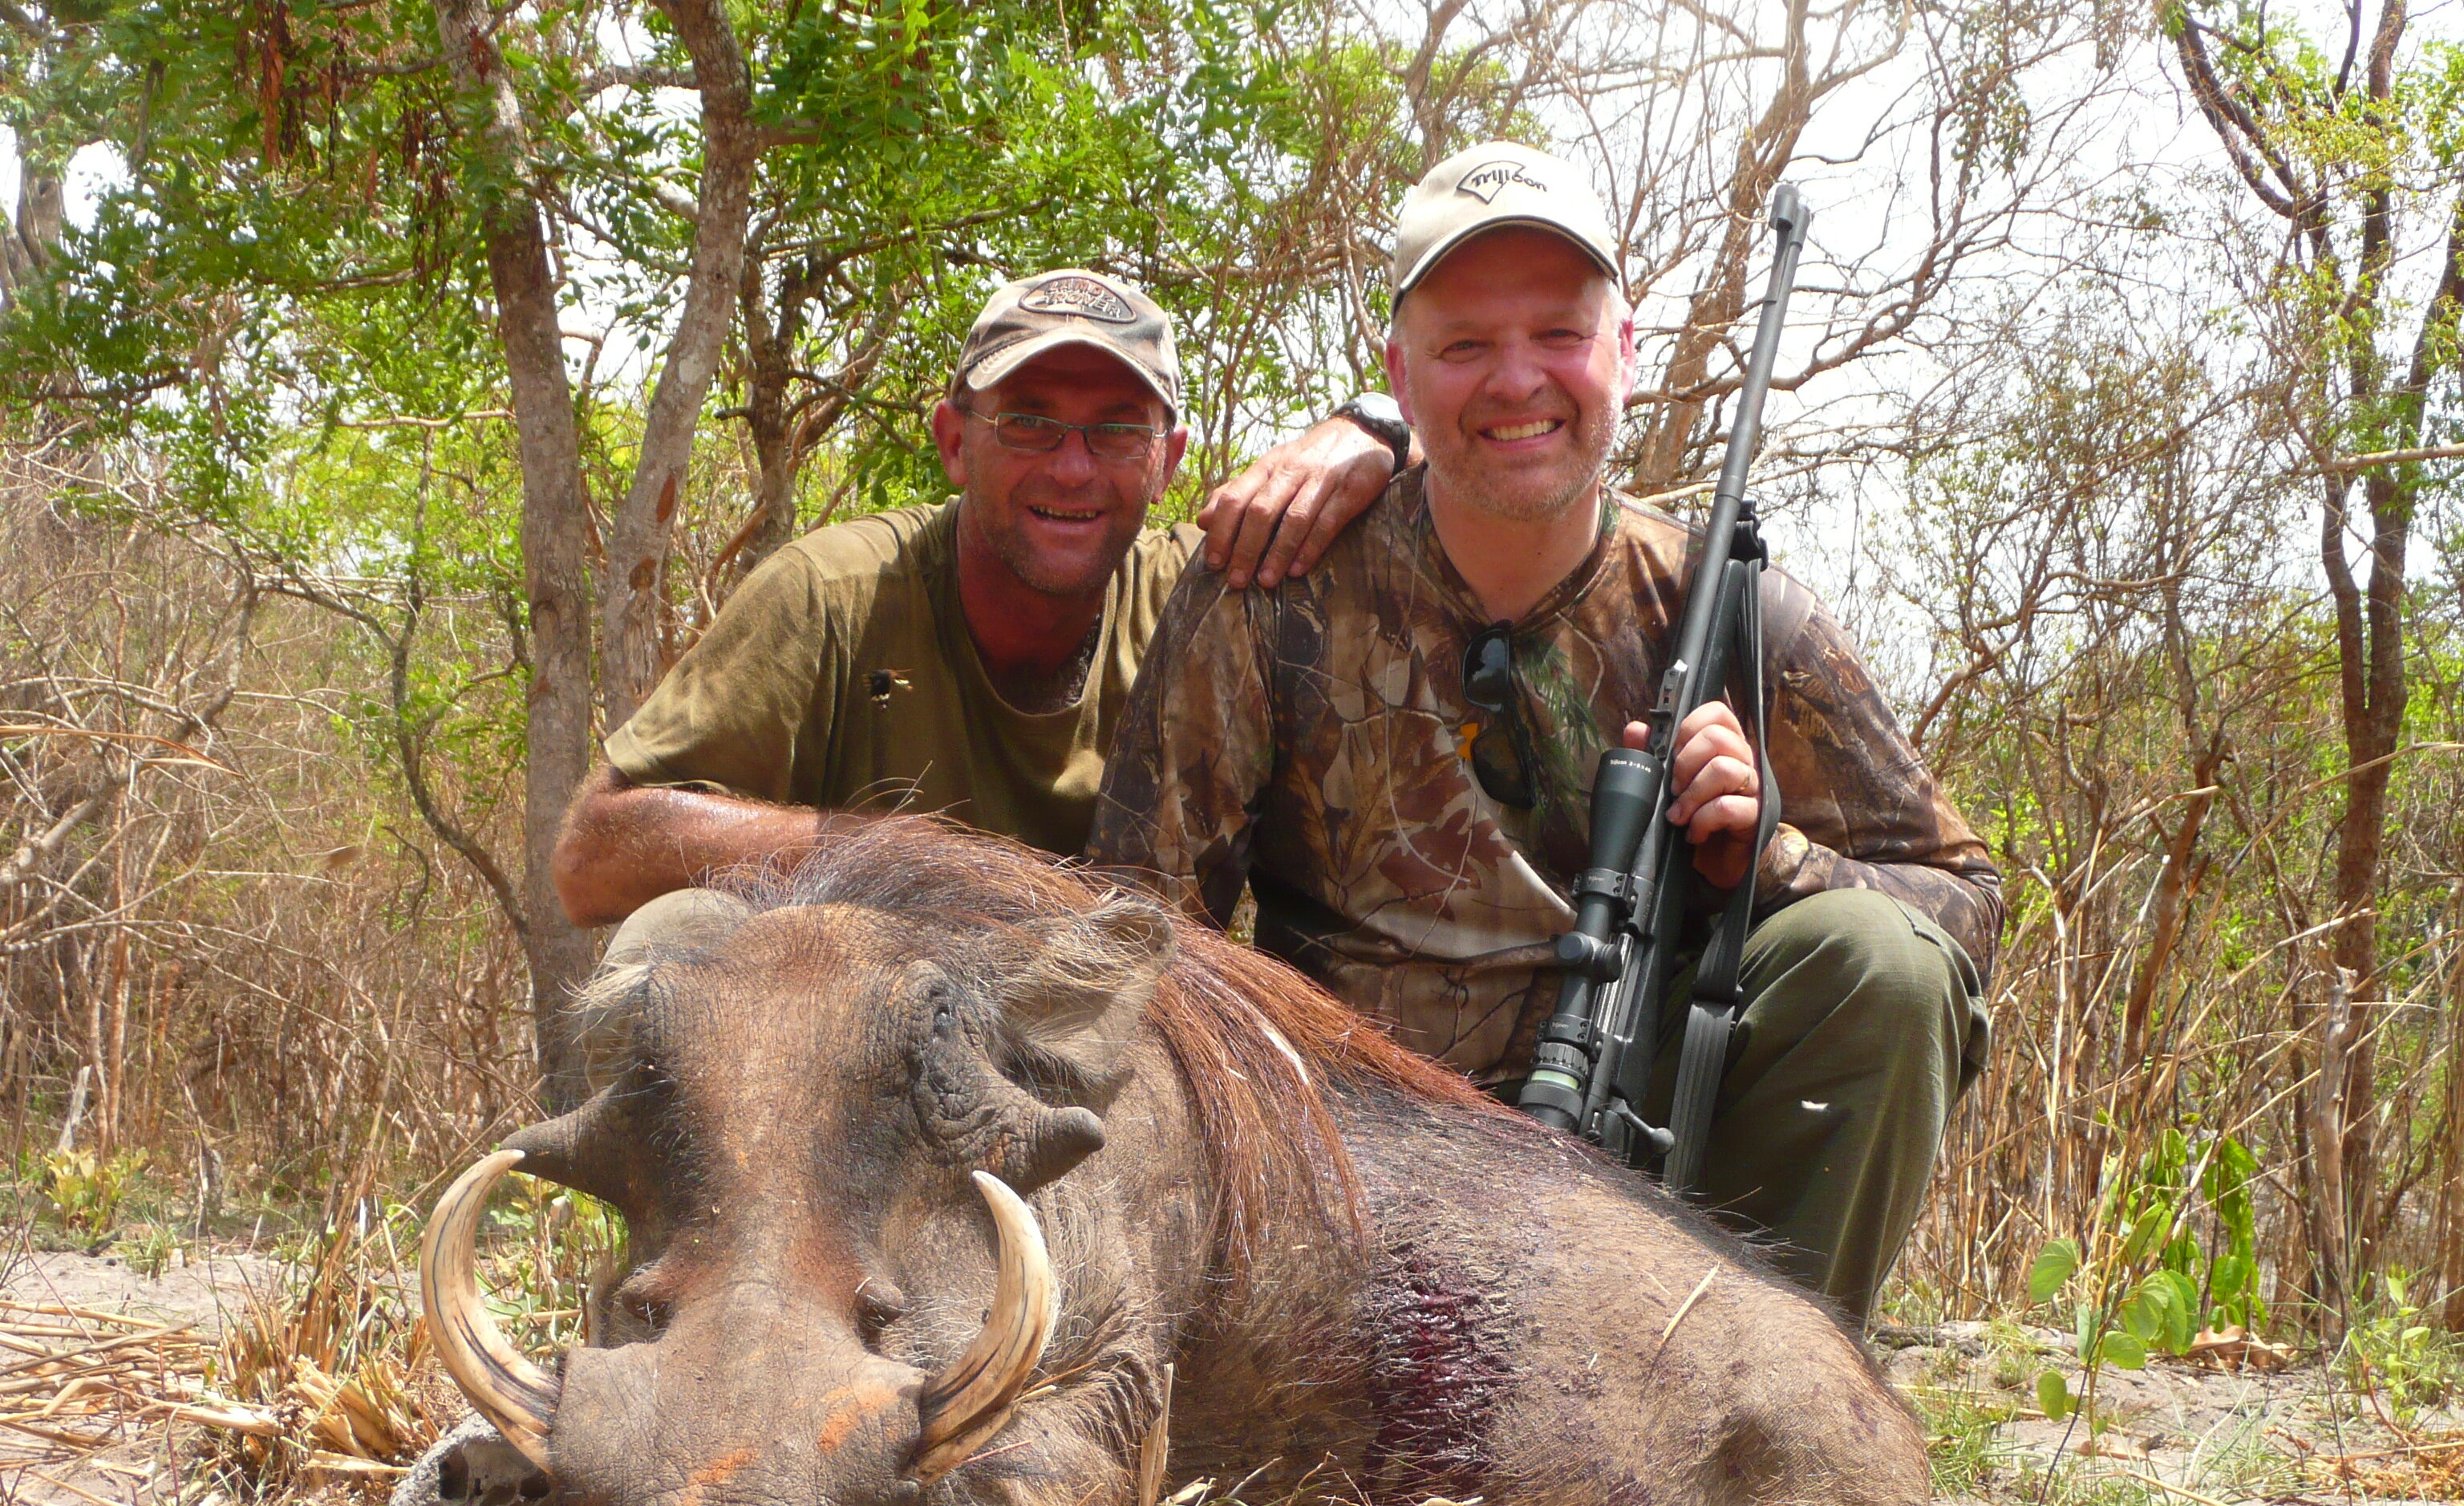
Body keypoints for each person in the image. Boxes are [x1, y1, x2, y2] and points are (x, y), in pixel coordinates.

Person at [1089, 146, 2002, 1323]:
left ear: (1625, 353)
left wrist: (1767, 858)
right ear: (1399, 379)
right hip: (1344, 1165)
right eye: (1465, 345)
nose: (1517, 381)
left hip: (1647, 1170)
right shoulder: (1269, 585)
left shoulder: (1739, 610)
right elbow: (1137, 932)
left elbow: (1964, 904)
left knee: (1879, 963)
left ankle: (1772, 1408)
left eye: (1560, 336)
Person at [551, 268, 1410, 928]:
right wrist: (917, 861)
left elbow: (1484, 501)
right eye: (1029, 422)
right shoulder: (831, 597)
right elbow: (592, 856)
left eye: (1116, 429)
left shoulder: (1210, 599)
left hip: (1122, 1066)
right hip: (854, 1058)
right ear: (955, 442)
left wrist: (1378, 432)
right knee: (670, 940)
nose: (1072, 467)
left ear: (1168, 463)